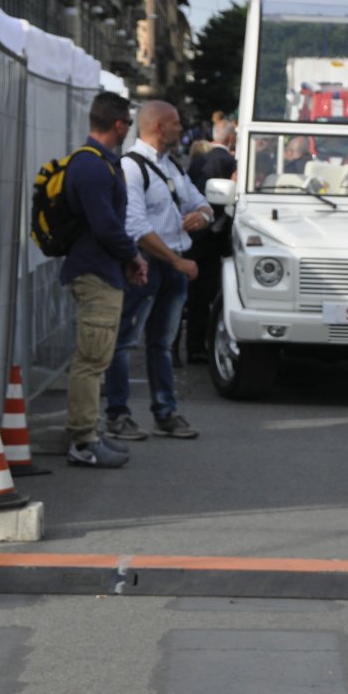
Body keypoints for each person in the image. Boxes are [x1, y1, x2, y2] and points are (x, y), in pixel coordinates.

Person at [103, 101, 213, 443]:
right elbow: (134, 225)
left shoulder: (170, 165)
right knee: (125, 342)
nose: (181, 128)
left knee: (162, 345)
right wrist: (176, 260)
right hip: (146, 264)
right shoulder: (132, 167)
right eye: (176, 123)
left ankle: (165, 413)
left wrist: (204, 215)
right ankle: (118, 415)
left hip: (171, 265)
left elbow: (200, 200)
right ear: (159, 127)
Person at [60, 91, 147, 468]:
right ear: (118, 125)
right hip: (95, 272)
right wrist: (132, 254)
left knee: (96, 357)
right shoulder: (93, 167)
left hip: (100, 268)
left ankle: (89, 433)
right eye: (128, 123)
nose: (128, 129)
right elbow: (106, 225)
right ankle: (83, 440)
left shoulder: (95, 163)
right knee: (91, 359)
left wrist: (126, 257)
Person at [184, 118, 237, 364]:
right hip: (211, 238)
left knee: (190, 297)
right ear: (231, 138)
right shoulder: (227, 162)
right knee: (206, 297)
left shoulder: (199, 161)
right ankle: (197, 347)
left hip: (194, 238)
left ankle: (184, 347)